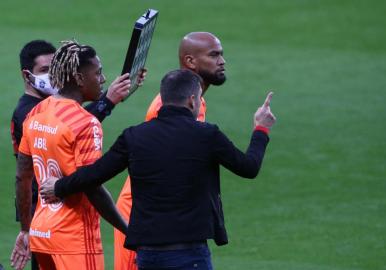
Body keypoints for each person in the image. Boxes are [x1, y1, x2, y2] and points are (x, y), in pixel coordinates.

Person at [39, 69, 276, 270]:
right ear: (193, 101)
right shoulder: (207, 135)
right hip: (190, 253)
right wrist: (261, 129)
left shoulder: (134, 136)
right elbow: (248, 167)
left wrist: (59, 186)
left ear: (163, 99)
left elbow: (94, 174)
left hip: (149, 256)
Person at [10, 39, 145, 270]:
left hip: (42, 233)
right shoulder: (86, 123)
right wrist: (128, 231)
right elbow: (92, 187)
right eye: (98, 73)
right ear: (80, 78)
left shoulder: (37, 111)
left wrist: (26, 229)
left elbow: (22, 177)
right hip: (75, 238)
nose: (102, 80)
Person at [114, 31, 225, 270]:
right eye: (214, 54)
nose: (222, 61)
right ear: (190, 61)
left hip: (152, 214)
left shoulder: (191, 102)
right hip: (143, 214)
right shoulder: (171, 107)